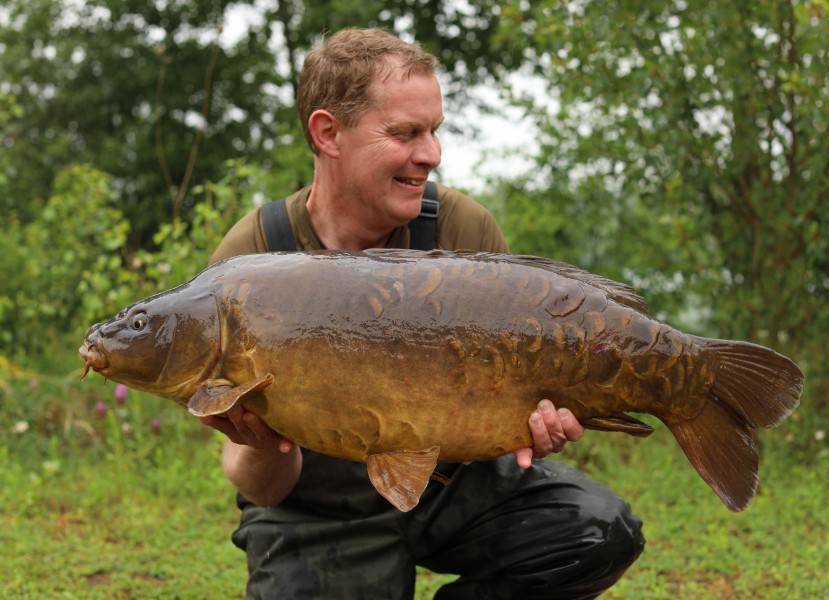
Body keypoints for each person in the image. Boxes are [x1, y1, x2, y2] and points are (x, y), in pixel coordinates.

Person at [200, 27, 644, 600]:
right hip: (316, 507)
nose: (431, 154)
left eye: (434, 130)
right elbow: (263, 489)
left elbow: (519, 401)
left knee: (597, 532)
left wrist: (537, 419)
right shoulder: (250, 263)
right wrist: (261, 441)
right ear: (328, 132)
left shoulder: (463, 231)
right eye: (405, 133)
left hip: (451, 485)